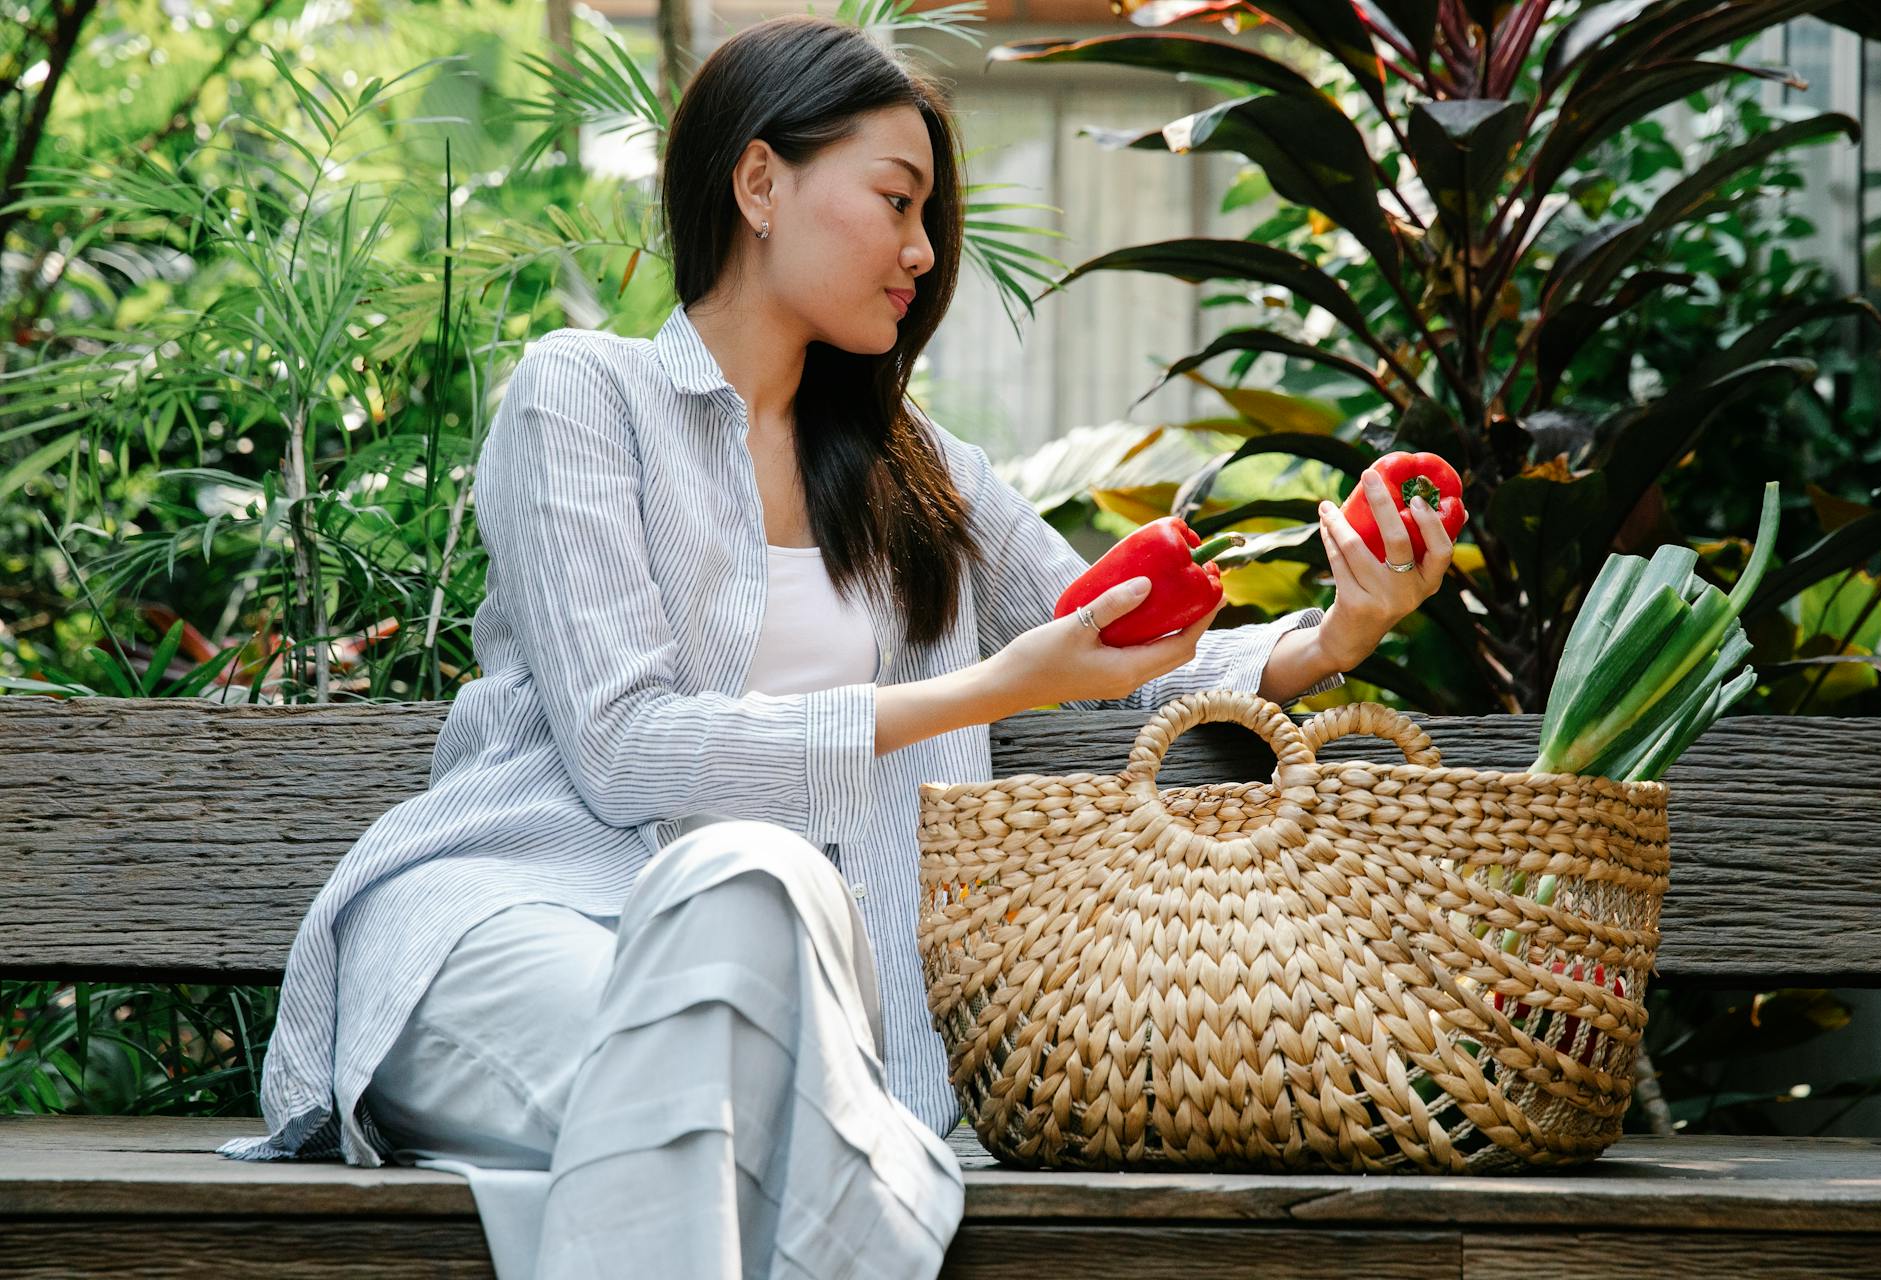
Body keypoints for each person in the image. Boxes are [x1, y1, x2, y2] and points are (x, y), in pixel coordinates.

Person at [214, 13, 1454, 1278]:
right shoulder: (584, 395)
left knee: (731, 1054)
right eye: (896, 199)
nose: (923, 251)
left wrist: (1334, 631)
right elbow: (624, 755)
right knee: (750, 919)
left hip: (803, 1005)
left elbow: (1119, 638)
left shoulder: (928, 477)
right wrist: (979, 689)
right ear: (760, 183)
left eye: (929, 217)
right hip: (526, 919)